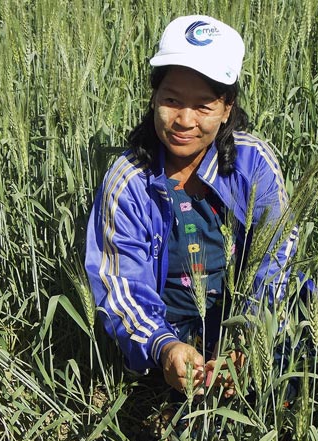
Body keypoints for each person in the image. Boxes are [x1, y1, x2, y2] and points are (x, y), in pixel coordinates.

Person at [85, 15, 298, 398]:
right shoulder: (129, 179)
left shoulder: (254, 163)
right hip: (171, 333)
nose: (184, 120)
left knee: (311, 329)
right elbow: (120, 284)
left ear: (227, 107)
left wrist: (250, 341)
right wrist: (165, 346)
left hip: (246, 321)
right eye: (171, 100)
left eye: (203, 106)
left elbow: (276, 257)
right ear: (154, 97)